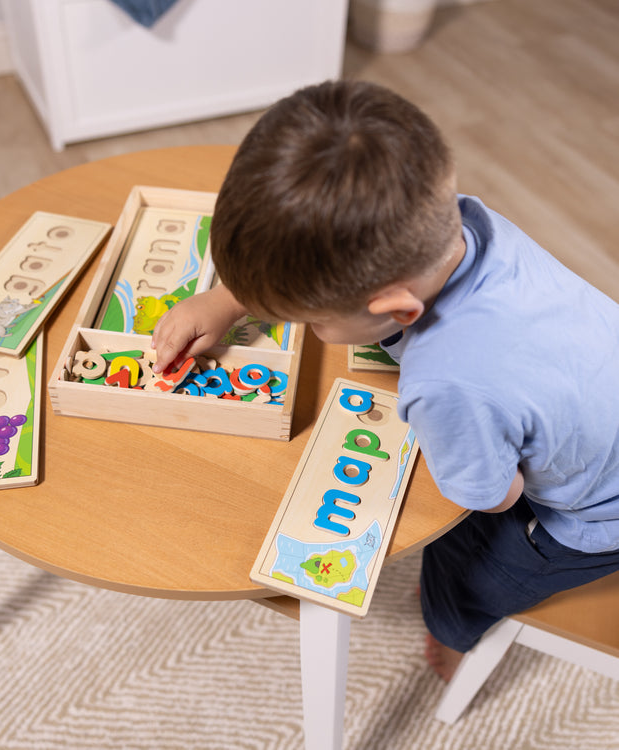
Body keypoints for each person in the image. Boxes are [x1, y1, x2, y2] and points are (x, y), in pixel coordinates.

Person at [150, 80, 619, 682]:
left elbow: (493, 494)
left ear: (397, 310)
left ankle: (454, 633)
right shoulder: (459, 221)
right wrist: (227, 299)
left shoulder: (448, 383)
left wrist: (450, 443)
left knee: (469, 564)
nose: (308, 325)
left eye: (312, 319)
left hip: (593, 517)